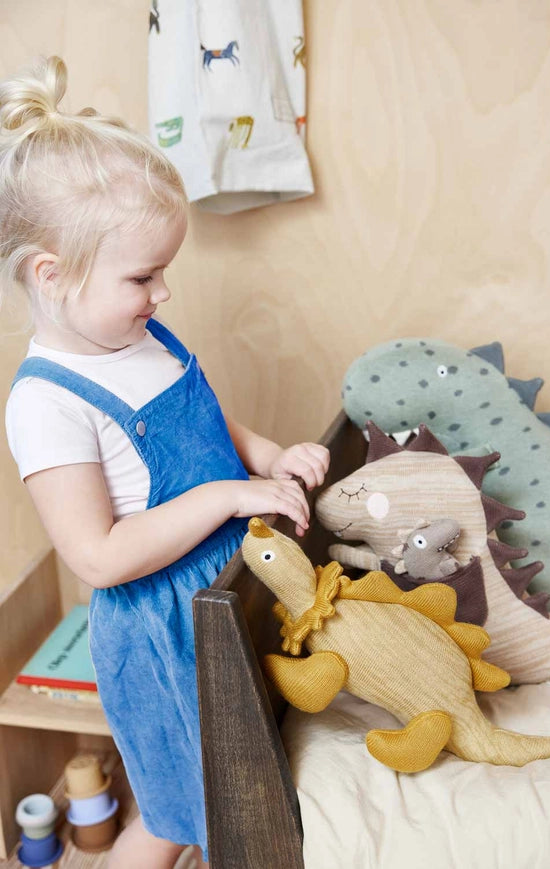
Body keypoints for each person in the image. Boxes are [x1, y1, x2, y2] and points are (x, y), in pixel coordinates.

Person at [1, 56, 329, 869]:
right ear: (52, 275)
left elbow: (202, 419)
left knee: (249, 787)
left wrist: (267, 455)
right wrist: (227, 494)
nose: (162, 294)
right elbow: (98, 556)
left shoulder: (136, 335)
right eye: (143, 275)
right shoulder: (47, 403)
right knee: (184, 810)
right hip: (164, 632)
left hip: (227, 586)